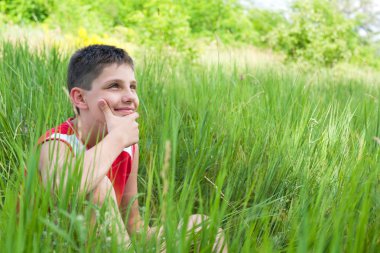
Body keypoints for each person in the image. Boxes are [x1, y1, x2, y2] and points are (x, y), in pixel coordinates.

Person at [38, 44, 227, 252]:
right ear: (80, 98)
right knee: (98, 186)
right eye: (114, 86)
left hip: (114, 243)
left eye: (132, 87)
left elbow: (134, 225)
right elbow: (64, 189)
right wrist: (117, 138)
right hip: (55, 243)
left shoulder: (127, 147)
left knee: (205, 226)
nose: (130, 97)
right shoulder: (57, 143)